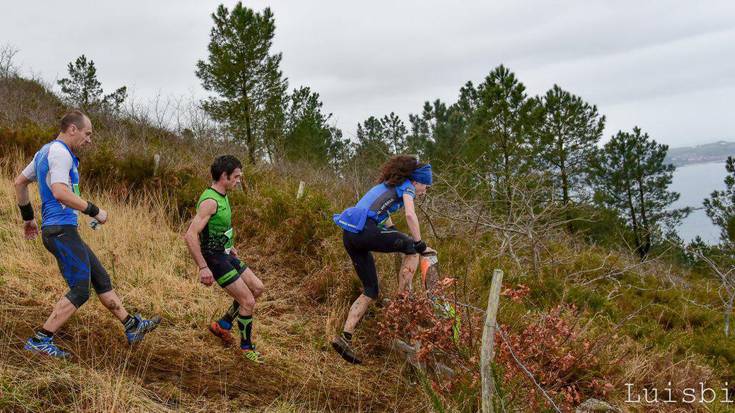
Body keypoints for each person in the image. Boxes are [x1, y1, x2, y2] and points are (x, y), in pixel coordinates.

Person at [14, 110, 161, 359]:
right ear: (73, 129)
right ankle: (40, 339)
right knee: (81, 290)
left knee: (101, 278)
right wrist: (95, 211)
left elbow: (19, 182)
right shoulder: (60, 153)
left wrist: (28, 218)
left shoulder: (44, 152)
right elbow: (60, 191)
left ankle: (131, 325)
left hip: (61, 230)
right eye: (87, 133)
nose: (89, 139)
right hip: (60, 231)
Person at [331, 155, 434, 364]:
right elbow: (410, 216)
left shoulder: (388, 185)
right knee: (412, 249)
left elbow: (380, 211)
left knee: (371, 290)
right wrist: (419, 242)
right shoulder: (408, 187)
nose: (425, 190)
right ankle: (402, 299)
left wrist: (392, 232)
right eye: (426, 185)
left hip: (350, 234)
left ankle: (344, 337)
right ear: (417, 181)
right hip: (364, 230)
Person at [183, 155, 265, 364]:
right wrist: (203, 267)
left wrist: (229, 246)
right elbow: (191, 235)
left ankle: (224, 324)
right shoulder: (210, 201)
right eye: (236, 177)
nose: (238, 180)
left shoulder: (223, 194)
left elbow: (218, 228)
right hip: (213, 259)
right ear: (224, 176)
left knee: (257, 288)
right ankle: (246, 348)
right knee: (248, 301)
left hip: (225, 253)